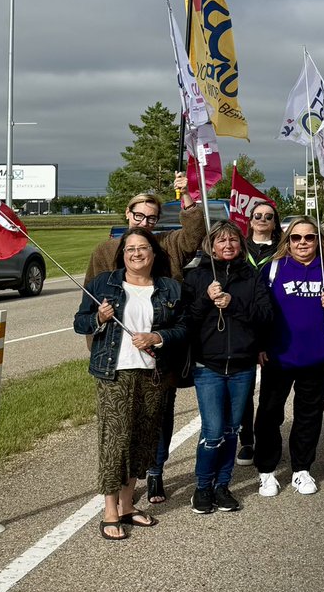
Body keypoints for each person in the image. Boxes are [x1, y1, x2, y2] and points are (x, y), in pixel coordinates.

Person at [85, 179, 207, 507]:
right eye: (139, 216)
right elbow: (89, 301)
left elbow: (194, 235)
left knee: (157, 417)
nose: (144, 223)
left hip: (159, 354)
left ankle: (155, 471)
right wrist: (95, 344)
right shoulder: (105, 252)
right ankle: (119, 494)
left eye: (151, 218)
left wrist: (188, 199)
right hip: (116, 358)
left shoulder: (168, 247)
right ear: (128, 214)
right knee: (119, 427)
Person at [73, 229, 187, 540]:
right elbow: (79, 322)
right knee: (116, 442)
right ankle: (110, 511)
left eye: (143, 247)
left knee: (142, 442)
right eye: (130, 249)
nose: (136, 253)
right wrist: (98, 317)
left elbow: (183, 327)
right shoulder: (104, 284)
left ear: (154, 253)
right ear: (123, 254)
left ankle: (127, 506)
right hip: (114, 374)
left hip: (152, 374)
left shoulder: (169, 288)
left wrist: (158, 337)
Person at [184, 221, 273, 514]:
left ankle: (223, 485)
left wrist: (233, 303)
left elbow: (264, 316)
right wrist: (206, 299)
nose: (227, 246)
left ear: (241, 244)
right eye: (221, 241)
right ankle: (202, 487)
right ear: (211, 245)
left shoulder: (252, 277)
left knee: (233, 429)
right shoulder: (198, 276)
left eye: (233, 240)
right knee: (213, 432)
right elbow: (187, 320)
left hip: (242, 365)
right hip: (208, 365)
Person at [254, 218, 324, 499]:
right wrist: (259, 345)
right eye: (296, 238)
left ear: (319, 240)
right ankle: (266, 470)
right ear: (287, 241)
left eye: (309, 237)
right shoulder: (272, 268)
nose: (302, 243)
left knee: (309, 415)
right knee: (269, 414)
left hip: (316, 357)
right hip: (278, 356)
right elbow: (258, 308)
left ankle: (301, 469)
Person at [236, 202, 281, 467]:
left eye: (269, 217)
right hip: (243, 323)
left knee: (271, 390)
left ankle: (267, 436)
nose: (263, 219)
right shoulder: (239, 249)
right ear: (250, 221)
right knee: (244, 389)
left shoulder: (283, 250)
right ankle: (247, 440)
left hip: (274, 323)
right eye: (258, 216)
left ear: (275, 223)